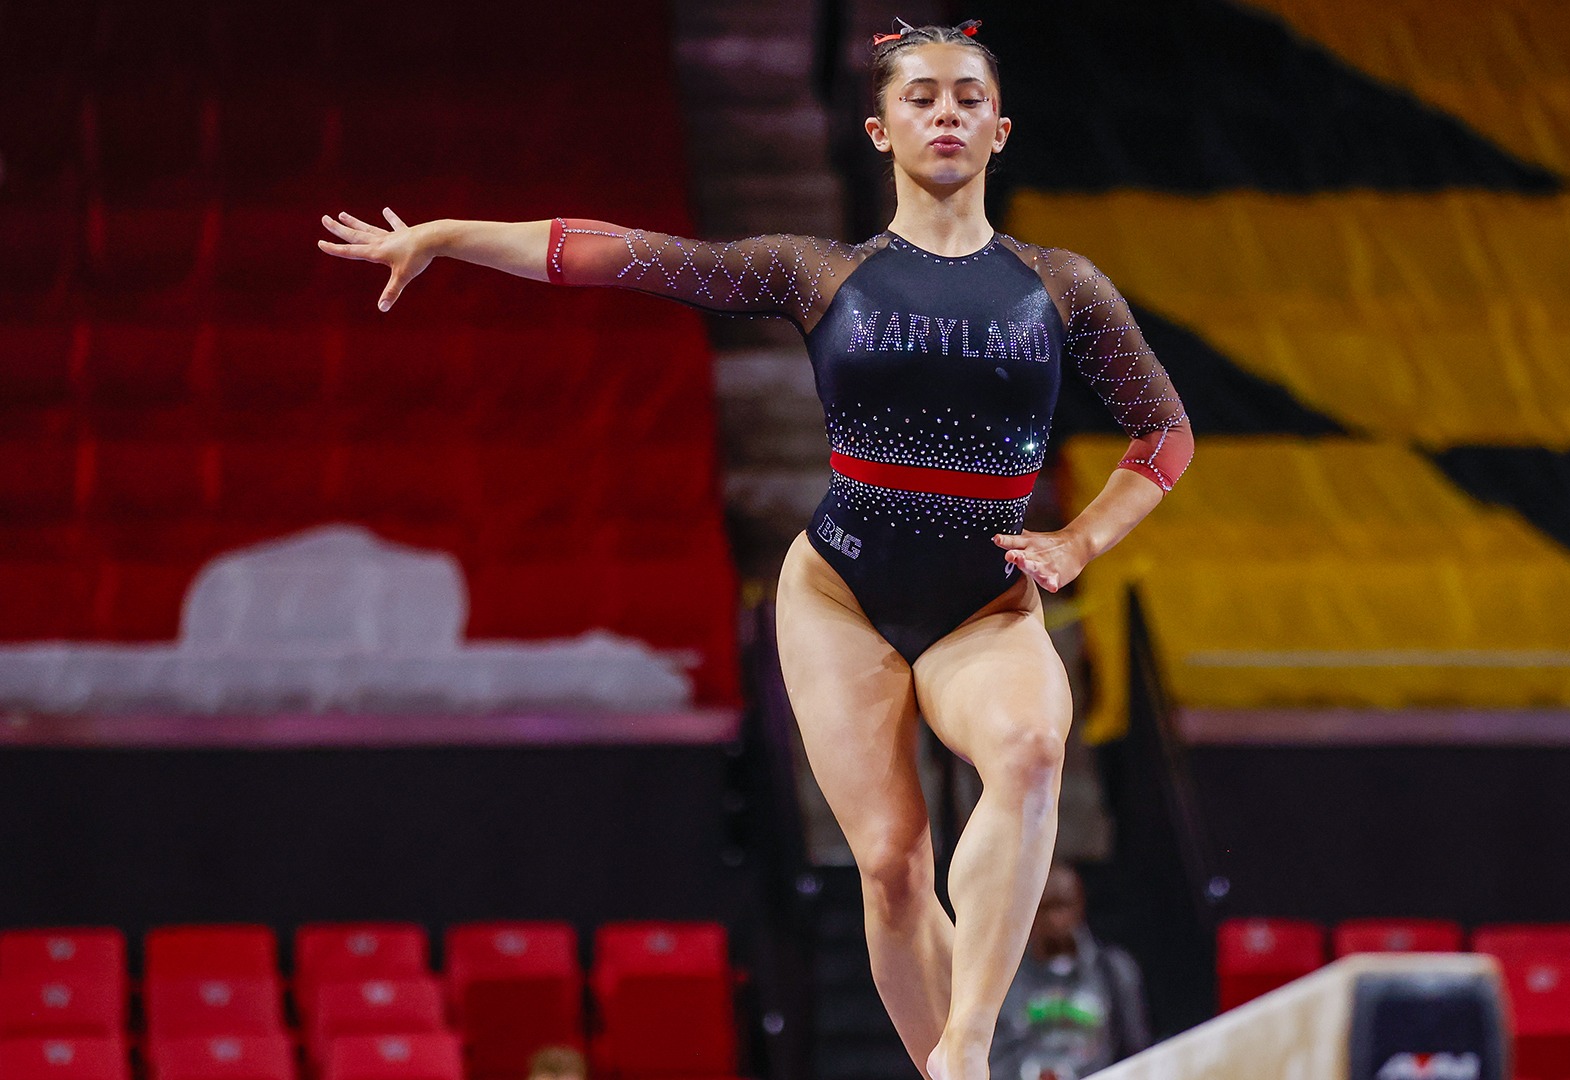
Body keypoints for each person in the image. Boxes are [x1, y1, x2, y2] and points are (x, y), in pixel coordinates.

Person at [315, 19, 1192, 1080]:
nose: (947, 114)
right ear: (879, 128)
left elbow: (1165, 432)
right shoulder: (818, 273)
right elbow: (621, 256)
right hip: (842, 598)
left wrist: (1080, 539)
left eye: (968, 97)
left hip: (986, 605)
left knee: (1032, 752)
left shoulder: (1061, 286)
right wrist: (451, 233)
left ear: (1001, 130)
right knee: (892, 868)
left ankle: (966, 1055)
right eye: (922, 98)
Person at [990, 863, 1152, 1080]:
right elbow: (992, 1059)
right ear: (1028, 911)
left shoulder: (1112, 970)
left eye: (1063, 906)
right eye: (1044, 908)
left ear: (1080, 906)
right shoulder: (1002, 981)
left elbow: (1138, 1052)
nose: (1055, 919)